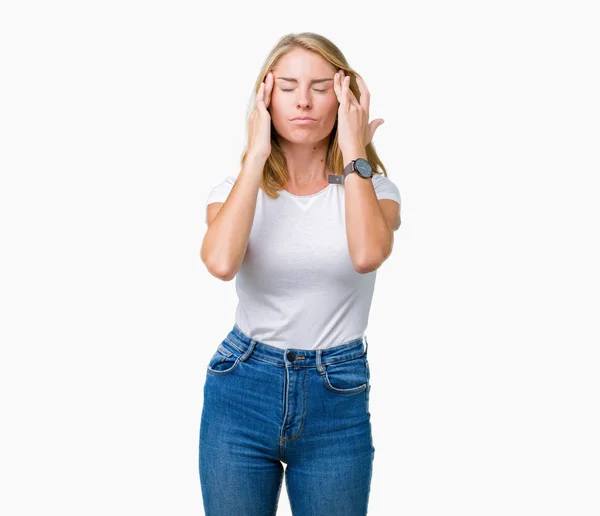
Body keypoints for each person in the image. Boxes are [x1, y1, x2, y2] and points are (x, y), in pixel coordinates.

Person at [198, 32, 402, 516]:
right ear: (265, 97)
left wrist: (355, 152)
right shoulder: (234, 189)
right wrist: (255, 158)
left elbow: (368, 253)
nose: (304, 101)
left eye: (320, 86)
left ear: (344, 96)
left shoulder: (375, 189)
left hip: (338, 391)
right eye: (287, 87)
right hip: (242, 385)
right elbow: (221, 263)